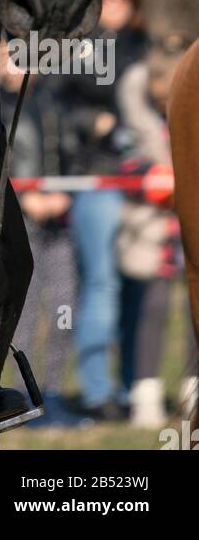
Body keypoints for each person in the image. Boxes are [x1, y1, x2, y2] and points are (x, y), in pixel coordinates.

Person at [57, 0, 150, 420]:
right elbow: (53, 107)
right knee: (102, 283)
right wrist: (96, 124)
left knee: (141, 286)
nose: (113, 5)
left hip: (147, 185)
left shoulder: (148, 48)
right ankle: (99, 392)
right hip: (96, 178)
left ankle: (137, 387)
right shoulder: (74, 47)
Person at [0, 40, 83, 428]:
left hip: (59, 219)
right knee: (25, 314)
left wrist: (65, 190)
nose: (15, 66)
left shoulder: (50, 101)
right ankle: (22, 399)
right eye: (7, 58)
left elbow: (71, 152)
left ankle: (55, 395)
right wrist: (24, 196)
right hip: (19, 221)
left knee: (66, 307)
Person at [117, 32, 196, 427]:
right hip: (150, 229)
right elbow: (121, 156)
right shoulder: (134, 117)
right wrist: (153, 175)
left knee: (193, 315)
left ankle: (191, 392)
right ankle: (143, 394)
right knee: (151, 310)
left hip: (187, 227)